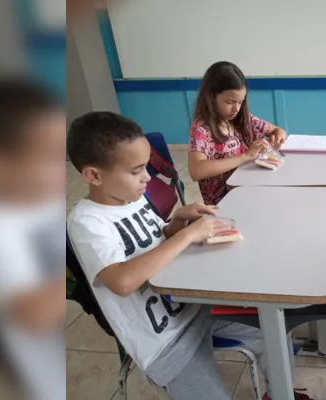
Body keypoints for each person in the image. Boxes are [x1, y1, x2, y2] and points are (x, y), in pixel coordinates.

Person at [66, 112, 311, 400]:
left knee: (274, 335)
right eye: (136, 171)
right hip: (164, 342)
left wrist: (179, 221)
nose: (147, 178)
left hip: (195, 306)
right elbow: (122, 281)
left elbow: (159, 240)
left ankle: (280, 393)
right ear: (94, 175)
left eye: (146, 167)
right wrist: (188, 235)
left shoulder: (130, 196)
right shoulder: (87, 223)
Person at [0, 77, 67, 399]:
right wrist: (87, 265)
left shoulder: (47, 203)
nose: (62, 170)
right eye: (48, 158)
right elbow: (33, 314)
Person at [188, 61, 287, 205]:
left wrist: (277, 140)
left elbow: (278, 130)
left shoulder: (243, 118)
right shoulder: (201, 128)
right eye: (230, 102)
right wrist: (245, 156)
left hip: (249, 188)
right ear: (211, 97)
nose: (236, 109)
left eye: (240, 102)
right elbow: (196, 170)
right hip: (225, 203)